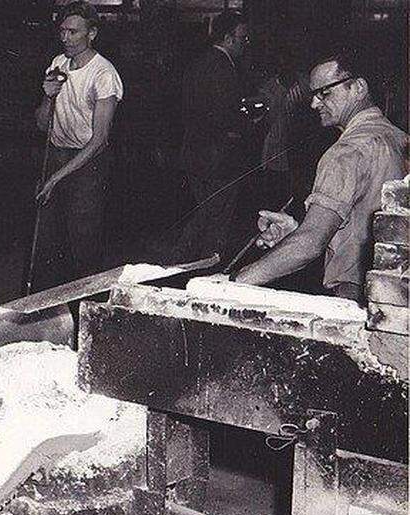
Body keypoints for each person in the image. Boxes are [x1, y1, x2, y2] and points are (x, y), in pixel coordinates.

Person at [234, 49, 408, 302]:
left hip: (353, 298)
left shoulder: (345, 153)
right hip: (394, 296)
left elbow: (311, 243)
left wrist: (234, 282)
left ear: (358, 88)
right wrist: (297, 230)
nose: (314, 104)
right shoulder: (400, 138)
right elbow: (361, 226)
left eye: (324, 93)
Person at [29, 0, 122, 293]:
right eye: (62, 31)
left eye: (73, 32)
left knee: (82, 243)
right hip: (57, 153)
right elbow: (42, 124)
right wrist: (47, 96)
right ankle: (46, 311)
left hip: (88, 164)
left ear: (91, 34)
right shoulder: (57, 63)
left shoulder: (104, 75)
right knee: (47, 240)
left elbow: (99, 141)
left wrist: (56, 179)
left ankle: (85, 308)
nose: (65, 38)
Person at [174, 11, 250, 262]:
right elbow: (222, 116)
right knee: (214, 218)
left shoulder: (198, 63)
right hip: (218, 158)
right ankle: (199, 265)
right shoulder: (222, 67)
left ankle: (183, 263)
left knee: (205, 212)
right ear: (229, 38)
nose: (245, 43)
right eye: (242, 38)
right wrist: (247, 121)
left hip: (196, 154)